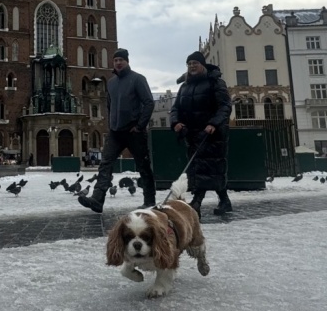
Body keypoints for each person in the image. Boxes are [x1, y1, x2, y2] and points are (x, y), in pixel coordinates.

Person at [78, 48, 155, 213]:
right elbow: (109, 105)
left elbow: (149, 103)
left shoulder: (138, 79)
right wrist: (111, 124)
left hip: (134, 130)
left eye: (121, 60)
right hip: (116, 132)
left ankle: (149, 200)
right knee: (105, 164)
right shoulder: (111, 83)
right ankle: (98, 200)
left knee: (143, 166)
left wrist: (140, 125)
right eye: (116, 60)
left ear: (127, 61)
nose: (118, 63)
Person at [169, 51, 232, 218]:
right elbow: (176, 108)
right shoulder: (184, 86)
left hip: (212, 134)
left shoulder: (215, 83)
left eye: (195, 63)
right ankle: (224, 200)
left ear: (202, 65)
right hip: (191, 134)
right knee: (201, 169)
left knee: (208, 168)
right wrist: (175, 122)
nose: (191, 66)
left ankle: (196, 202)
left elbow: (225, 106)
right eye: (189, 64)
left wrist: (213, 123)